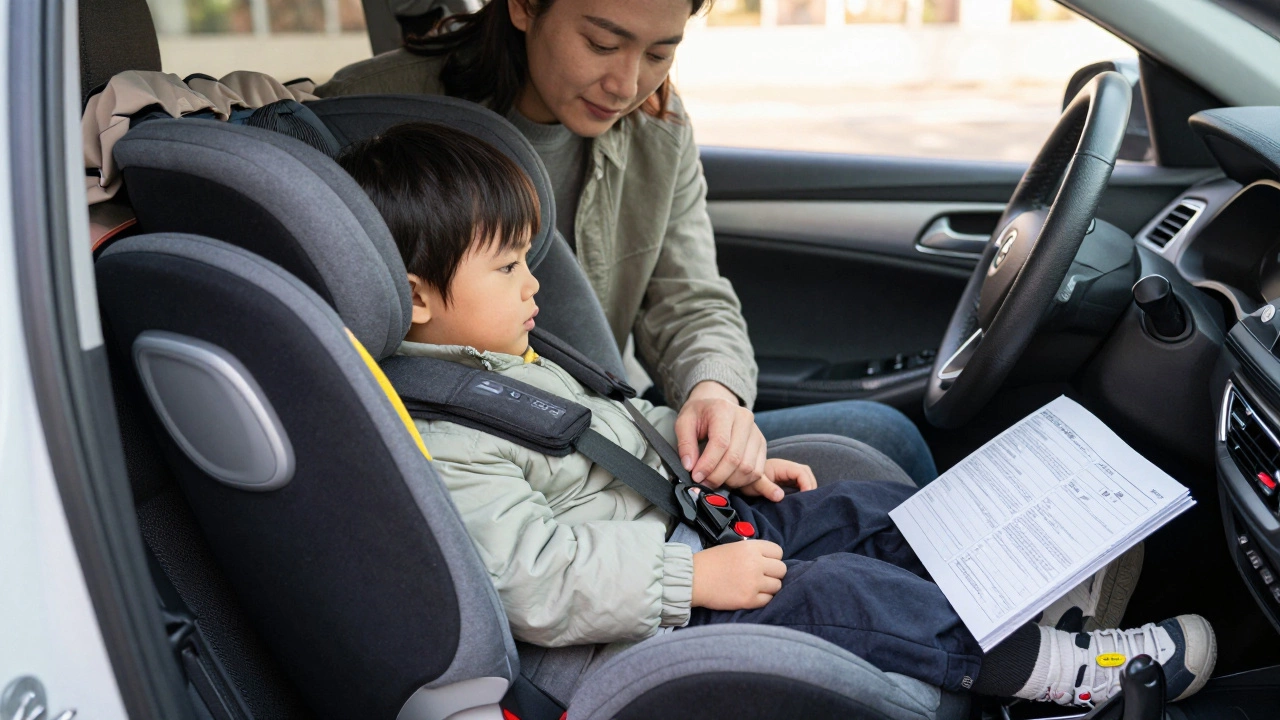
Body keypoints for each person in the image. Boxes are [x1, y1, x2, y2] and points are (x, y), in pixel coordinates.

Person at [334, 120, 1216, 708]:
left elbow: (610, 435)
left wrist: (723, 468)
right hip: (644, 616)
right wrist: (691, 582)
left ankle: (1029, 592)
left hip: (689, 534)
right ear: (414, 298)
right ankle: (1067, 671)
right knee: (839, 593)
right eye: (508, 269)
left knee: (858, 511)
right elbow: (535, 577)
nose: (535, 285)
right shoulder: (442, 435)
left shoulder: (508, 365)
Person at [316, 0, 939, 491]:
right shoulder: (371, 114)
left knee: (884, 438)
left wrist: (714, 393)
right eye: (603, 43)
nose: (626, 83)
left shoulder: (658, 129)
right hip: (486, 454)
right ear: (526, 6)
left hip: (613, 426)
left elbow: (691, 299)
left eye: (660, 53)